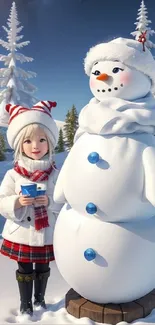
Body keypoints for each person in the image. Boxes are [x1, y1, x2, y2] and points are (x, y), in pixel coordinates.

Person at [0, 101, 63, 316]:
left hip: (46, 232)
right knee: (24, 268)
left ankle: (40, 299)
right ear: (19, 145)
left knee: (43, 268)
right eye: (28, 141)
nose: (35, 146)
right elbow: (1, 199)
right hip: (22, 233)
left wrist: (50, 202)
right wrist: (16, 202)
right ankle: (25, 302)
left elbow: (65, 200)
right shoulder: (14, 174)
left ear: (50, 143)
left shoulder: (56, 174)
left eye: (41, 140)